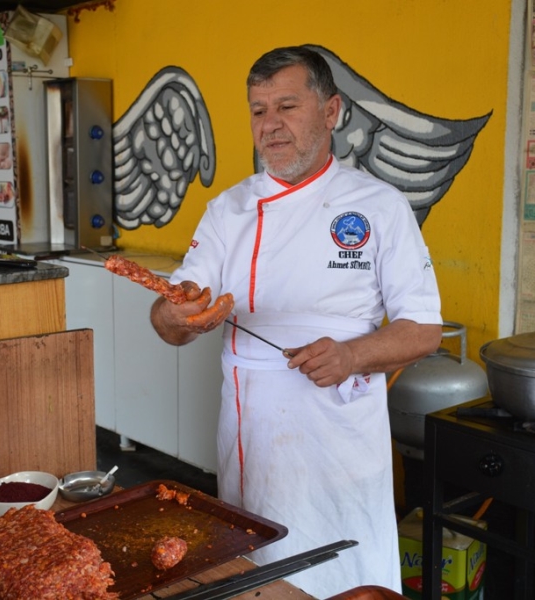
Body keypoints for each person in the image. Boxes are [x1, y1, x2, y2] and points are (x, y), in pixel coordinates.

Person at [149, 46, 443, 597]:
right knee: (255, 572)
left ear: (331, 112)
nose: (270, 125)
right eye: (258, 110)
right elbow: (170, 323)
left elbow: (423, 329)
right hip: (253, 433)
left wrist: (352, 355)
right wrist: (176, 313)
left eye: (287, 106)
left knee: (348, 575)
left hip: (340, 435)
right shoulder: (228, 211)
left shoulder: (378, 206)